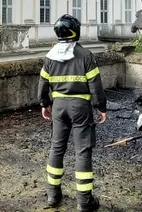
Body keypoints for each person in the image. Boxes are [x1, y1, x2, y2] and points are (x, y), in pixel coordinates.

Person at [37, 14, 107, 211]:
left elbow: (43, 83)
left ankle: (53, 195)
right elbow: (95, 85)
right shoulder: (85, 55)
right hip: (81, 108)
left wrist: (45, 104)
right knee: (82, 150)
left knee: (56, 148)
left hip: (58, 107)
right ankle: (84, 201)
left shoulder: (50, 56)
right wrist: (101, 107)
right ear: (76, 31)